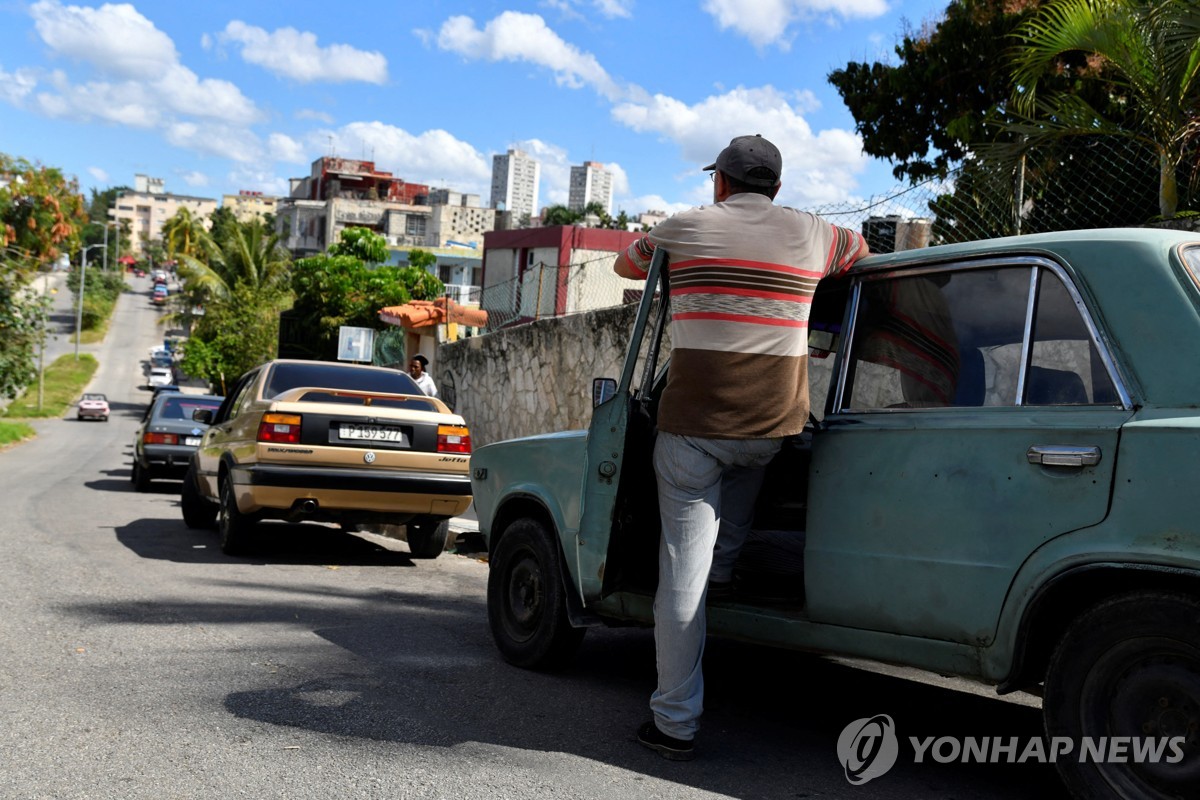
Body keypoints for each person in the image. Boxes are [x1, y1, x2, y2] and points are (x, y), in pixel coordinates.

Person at [612, 134, 870, 761]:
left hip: (695, 428)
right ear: (776, 188)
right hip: (773, 427)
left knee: (682, 575)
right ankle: (727, 565)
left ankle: (674, 720)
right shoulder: (814, 233)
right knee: (751, 460)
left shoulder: (684, 227)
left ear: (720, 183)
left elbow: (626, 264)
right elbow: (860, 251)